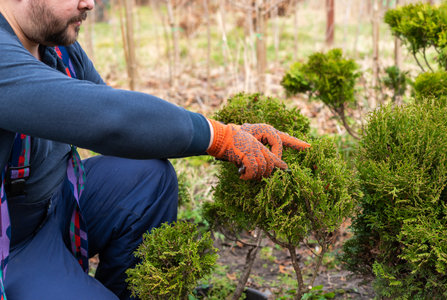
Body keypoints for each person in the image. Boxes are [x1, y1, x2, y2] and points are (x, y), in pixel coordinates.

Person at [0, 0, 310, 299]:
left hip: (56, 205)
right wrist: (218, 137)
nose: (90, 3)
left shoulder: (56, 46)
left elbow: (119, 115)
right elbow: (109, 120)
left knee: (148, 177)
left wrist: (234, 132)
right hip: (12, 242)